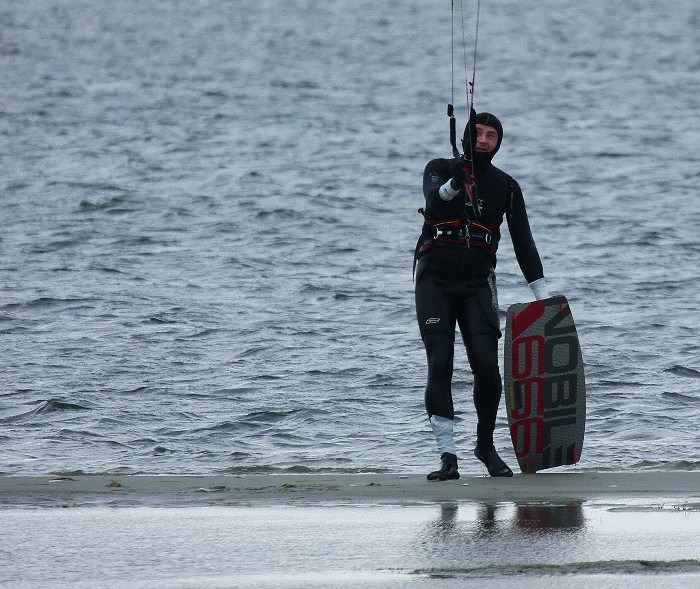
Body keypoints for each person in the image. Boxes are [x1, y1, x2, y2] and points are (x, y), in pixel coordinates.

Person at [414, 109, 550, 480]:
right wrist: (456, 183)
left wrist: (544, 299)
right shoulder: (440, 168)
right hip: (435, 283)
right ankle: (447, 457)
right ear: (467, 137)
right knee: (439, 363)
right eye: (480, 133)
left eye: (493, 135)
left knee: (487, 369)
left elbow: (524, 243)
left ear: (499, 142)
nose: (485, 140)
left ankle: (485, 446)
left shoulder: (506, 186)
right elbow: (436, 200)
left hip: (477, 285)